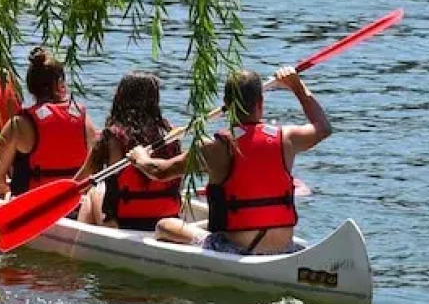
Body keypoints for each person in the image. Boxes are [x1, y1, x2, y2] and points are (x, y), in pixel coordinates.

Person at [128, 65, 330, 255]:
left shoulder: (214, 148)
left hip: (236, 249)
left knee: (165, 226)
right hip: (284, 247)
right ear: (260, 103)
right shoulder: (287, 137)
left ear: (226, 105)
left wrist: (140, 157)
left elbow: (160, 171)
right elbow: (323, 127)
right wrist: (297, 86)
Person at [72, 71, 183, 230]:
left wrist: (56, 200)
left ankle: (80, 243)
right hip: (168, 218)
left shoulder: (112, 136)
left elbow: (84, 178)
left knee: (94, 191)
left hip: (123, 222)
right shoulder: (172, 134)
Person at [0, 47, 98, 198]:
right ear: (60, 85)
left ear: (31, 87)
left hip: (31, 207)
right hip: (74, 205)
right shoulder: (84, 120)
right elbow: (96, 162)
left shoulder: (18, 125)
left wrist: (5, 192)